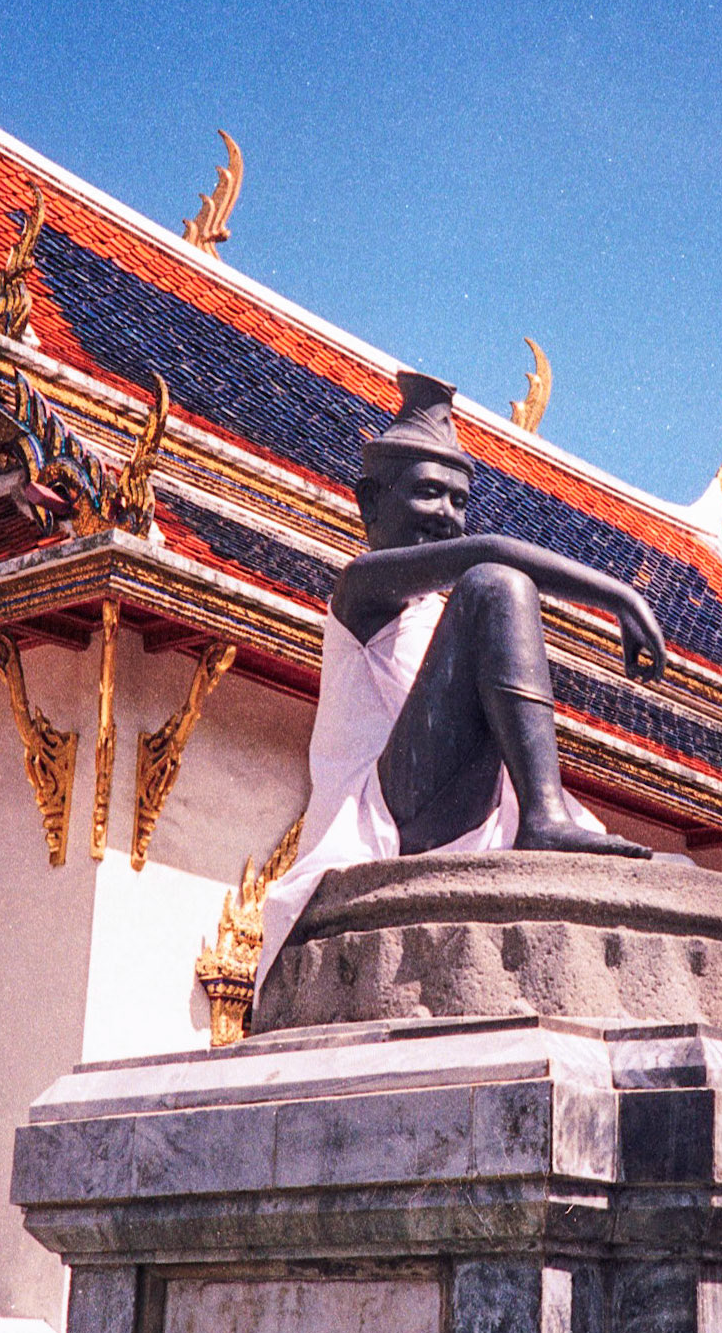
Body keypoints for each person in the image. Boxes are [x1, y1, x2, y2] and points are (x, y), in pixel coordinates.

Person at [254, 371, 669, 1000]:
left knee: (494, 592)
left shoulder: (445, 618)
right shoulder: (359, 591)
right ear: (371, 503)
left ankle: (543, 815)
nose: (447, 516)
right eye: (427, 494)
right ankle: (544, 817)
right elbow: (490, 555)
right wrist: (619, 594)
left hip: (463, 811)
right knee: (496, 585)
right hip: (385, 824)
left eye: (458, 500)